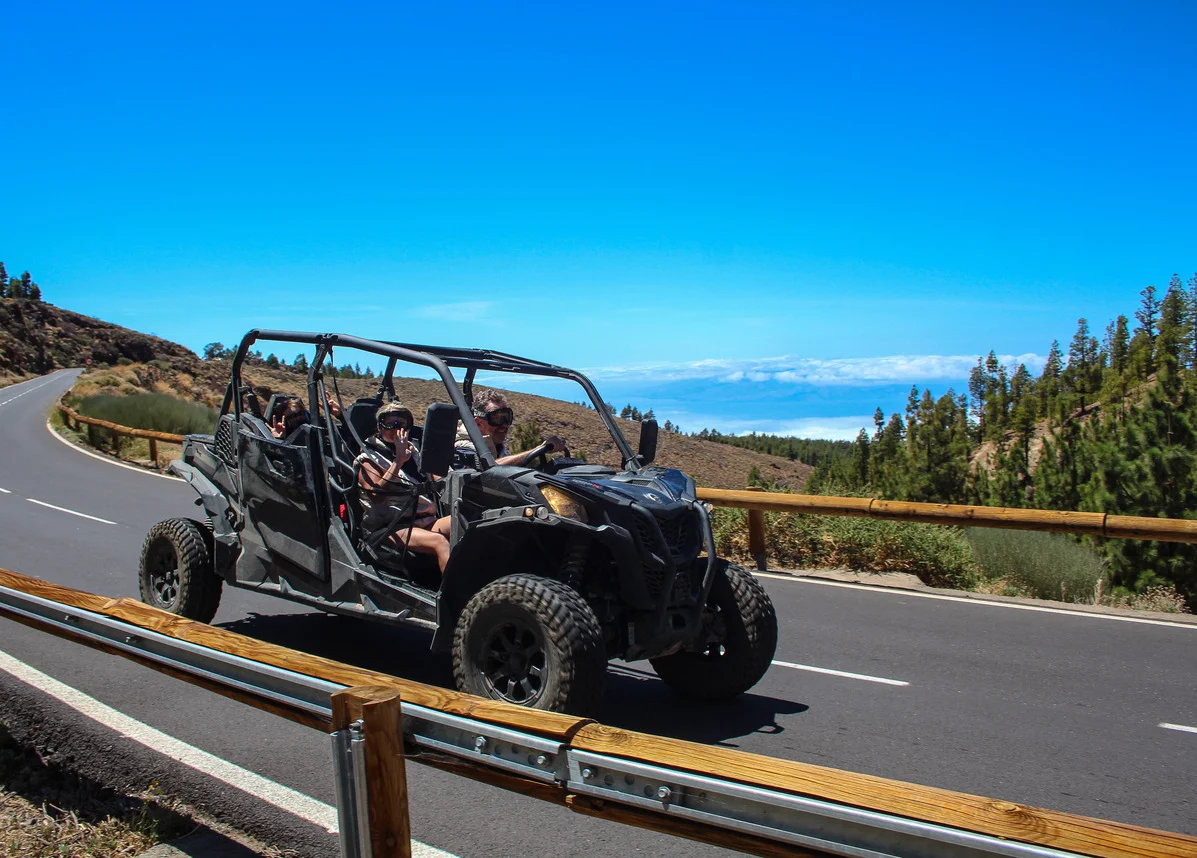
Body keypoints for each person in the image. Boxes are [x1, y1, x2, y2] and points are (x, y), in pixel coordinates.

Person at [358, 401, 452, 573]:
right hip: (392, 527)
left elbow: (440, 476)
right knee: (439, 542)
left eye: (401, 423)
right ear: (380, 427)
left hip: (424, 520)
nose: (396, 428)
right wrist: (398, 461)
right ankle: (453, 597)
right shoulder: (368, 459)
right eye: (389, 423)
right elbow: (376, 497)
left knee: (465, 522)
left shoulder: (415, 453)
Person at [455, 389, 567, 467]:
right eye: (497, 419)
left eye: (507, 418)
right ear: (478, 423)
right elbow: (489, 468)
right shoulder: (464, 447)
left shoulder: (497, 447)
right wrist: (537, 449)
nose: (504, 425)